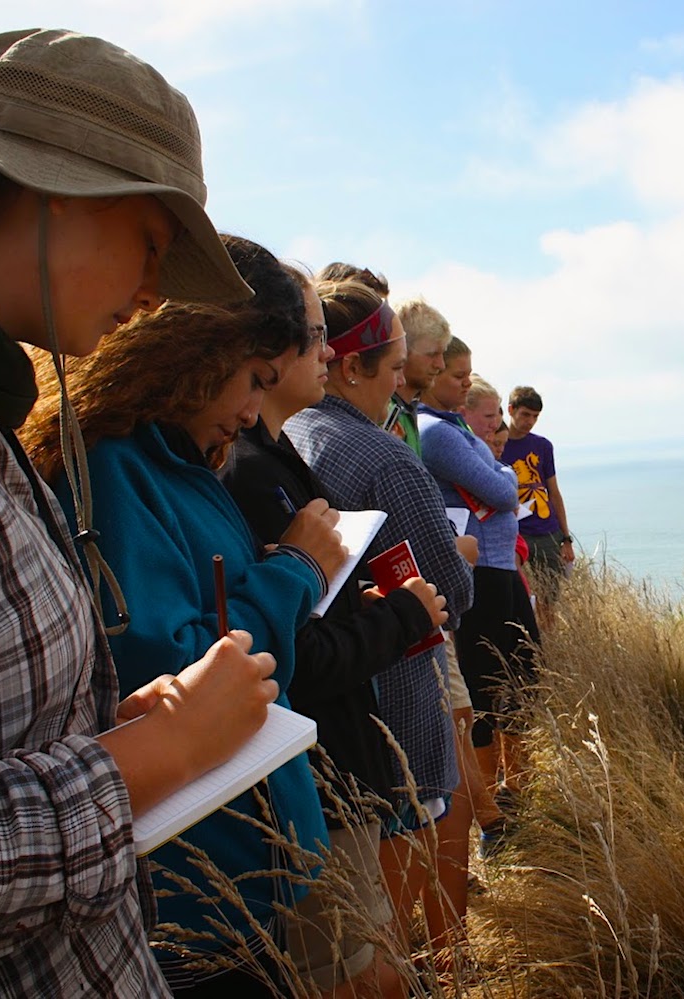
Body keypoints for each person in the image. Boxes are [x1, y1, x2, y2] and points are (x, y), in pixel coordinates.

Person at [0, 29, 278, 995]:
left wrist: (101, 733)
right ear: (50, 186)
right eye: (152, 243)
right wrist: (154, 755)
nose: (157, 290)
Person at [22, 233, 348, 995]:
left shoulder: (168, 463)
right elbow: (175, 667)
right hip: (198, 890)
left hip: (240, 867)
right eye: (254, 379)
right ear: (192, 350)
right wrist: (295, 572)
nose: (251, 411)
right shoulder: (110, 467)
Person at [217, 256, 448, 997]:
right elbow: (297, 653)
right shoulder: (253, 469)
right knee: (360, 970)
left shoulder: (283, 450)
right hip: (320, 769)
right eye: (314, 336)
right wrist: (407, 613)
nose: (325, 352)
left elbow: (307, 619)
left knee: (371, 954)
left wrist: (365, 608)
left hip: (325, 763)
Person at [284, 279, 475, 961]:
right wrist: (462, 555)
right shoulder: (384, 457)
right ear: (350, 364)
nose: (400, 388)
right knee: (383, 929)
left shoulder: (286, 433)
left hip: (321, 712)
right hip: (393, 699)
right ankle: (438, 966)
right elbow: (450, 589)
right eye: (394, 369)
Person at [422, 374, 537, 807]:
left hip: (501, 571)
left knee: (522, 677)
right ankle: (492, 797)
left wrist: (497, 467)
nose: (496, 424)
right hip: (483, 575)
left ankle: (516, 786)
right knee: (487, 684)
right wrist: (502, 470)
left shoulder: (463, 438)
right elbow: (505, 492)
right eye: (488, 415)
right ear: (466, 412)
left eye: (496, 415)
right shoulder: (442, 435)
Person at [502, 385, 575, 609]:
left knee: (549, 599)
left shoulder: (542, 446)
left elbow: (553, 491)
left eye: (535, 417)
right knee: (516, 597)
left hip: (546, 532)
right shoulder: (497, 444)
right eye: (525, 415)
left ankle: (545, 642)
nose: (530, 422)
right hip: (516, 532)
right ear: (511, 409)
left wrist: (566, 538)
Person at [390, 298, 451, 455]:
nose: (440, 365)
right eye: (432, 354)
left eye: (442, 354)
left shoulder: (406, 409)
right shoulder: (385, 413)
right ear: (401, 352)